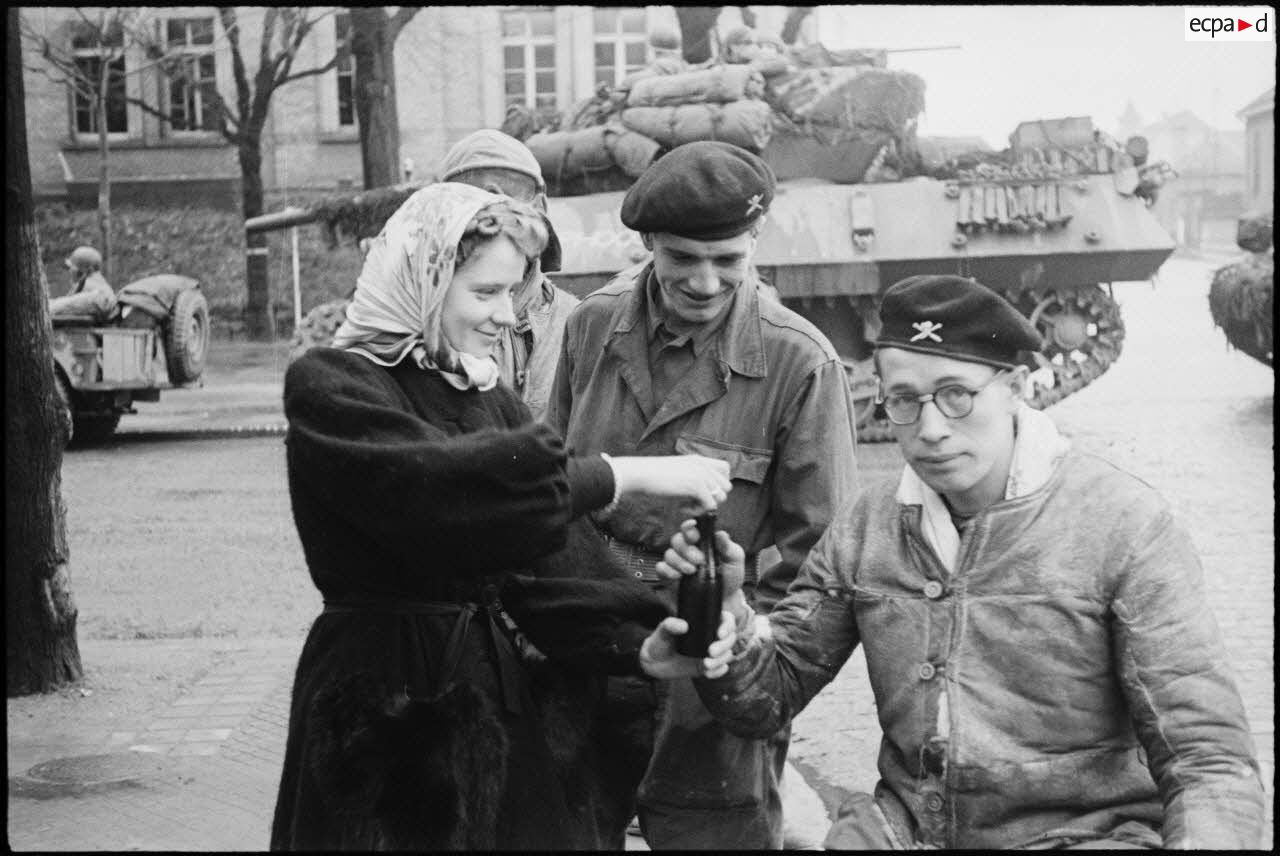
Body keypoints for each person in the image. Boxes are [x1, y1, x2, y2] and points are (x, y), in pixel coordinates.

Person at [643, 274, 1267, 850]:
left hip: (1085, 834)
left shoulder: (1123, 524)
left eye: (956, 395)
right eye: (904, 400)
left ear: (1017, 389)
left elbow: (1207, 759)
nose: (931, 428)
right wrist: (729, 625)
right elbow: (767, 700)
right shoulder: (868, 526)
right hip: (908, 830)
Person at [269, 182, 735, 850]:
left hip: (488, 703)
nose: (505, 316)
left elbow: (548, 568)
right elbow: (444, 499)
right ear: (424, 280)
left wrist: (640, 644)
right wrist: (622, 474)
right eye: (484, 293)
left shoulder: (484, 395)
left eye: (513, 294)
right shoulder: (333, 386)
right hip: (379, 712)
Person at [546, 140, 859, 849]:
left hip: (710, 686)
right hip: (589, 659)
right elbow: (549, 493)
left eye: (729, 261)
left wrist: (747, 664)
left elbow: (823, 562)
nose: (707, 282)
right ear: (648, 243)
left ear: (755, 243)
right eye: (683, 258)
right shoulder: (590, 328)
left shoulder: (797, 361)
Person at [438, 128, 579, 422]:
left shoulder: (578, 323)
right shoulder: (424, 321)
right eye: (472, 202)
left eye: (507, 197)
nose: (494, 218)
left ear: (540, 209)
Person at [49, 245, 116, 322]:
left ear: (88, 270)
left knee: (49, 308)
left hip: (97, 301)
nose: (70, 271)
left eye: (72, 267)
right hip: (100, 304)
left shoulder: (90, 284)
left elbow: (63, 305)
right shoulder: (98, 282)